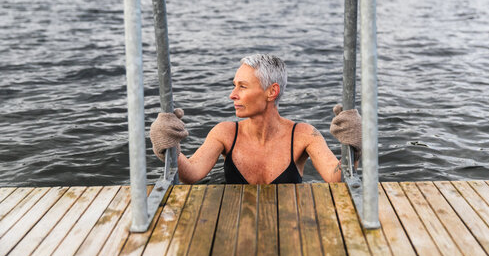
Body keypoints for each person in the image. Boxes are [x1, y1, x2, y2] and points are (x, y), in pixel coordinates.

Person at [150, 54, 361, 184]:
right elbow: (191, 173)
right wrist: (169, 146)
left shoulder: (304, 134)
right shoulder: (225, 132)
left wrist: (355, 147)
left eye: (242, 86)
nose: (233, 94)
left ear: (272, 92)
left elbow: (336, 178)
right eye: (234, 85)